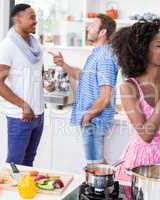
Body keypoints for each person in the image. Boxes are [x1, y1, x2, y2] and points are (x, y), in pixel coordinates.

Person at [111, 19, 160, 184]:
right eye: (159, 46)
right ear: (142, 51)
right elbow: (146, 135)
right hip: (139, 166)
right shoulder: (129, 88)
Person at [49, 14, 118, 165]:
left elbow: (105, 96)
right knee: (97, 163)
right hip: (93, 118)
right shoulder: (97, 54)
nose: (88, 28)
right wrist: (63, 64)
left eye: (92, 25)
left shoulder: (104, 57)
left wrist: (88, 116)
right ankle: (108, 187)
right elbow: (82, 76)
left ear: (102, 32)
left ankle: (104, 188)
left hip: (94, 120)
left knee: (95, 166)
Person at [0, 4, 46, 166]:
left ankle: (25, 191)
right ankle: (13, 191)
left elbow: (37, 76)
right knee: (15, 164)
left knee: (29, 161)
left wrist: (46, 86)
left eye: (35, 18)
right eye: (31, 17)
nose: (35, 21)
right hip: (20, 116)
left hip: (38, 114)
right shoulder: (8, 46)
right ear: (17, 19)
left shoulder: (35, 46)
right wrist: (23, 105)